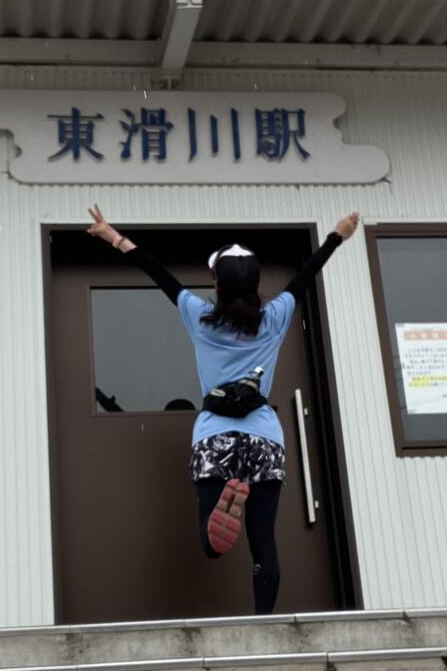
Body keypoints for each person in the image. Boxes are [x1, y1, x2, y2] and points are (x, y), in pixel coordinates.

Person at [86, 206, 360, 614]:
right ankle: (264, 623)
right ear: (256, 283)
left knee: (211, 545)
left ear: (216, 283)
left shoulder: (199, 316)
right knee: (263, 541)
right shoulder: (276, 317)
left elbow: (158, 273)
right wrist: (337, 235)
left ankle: (220, 511)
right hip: (264, 436)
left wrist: (113, 236)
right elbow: (306, 275)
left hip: (215, 435)